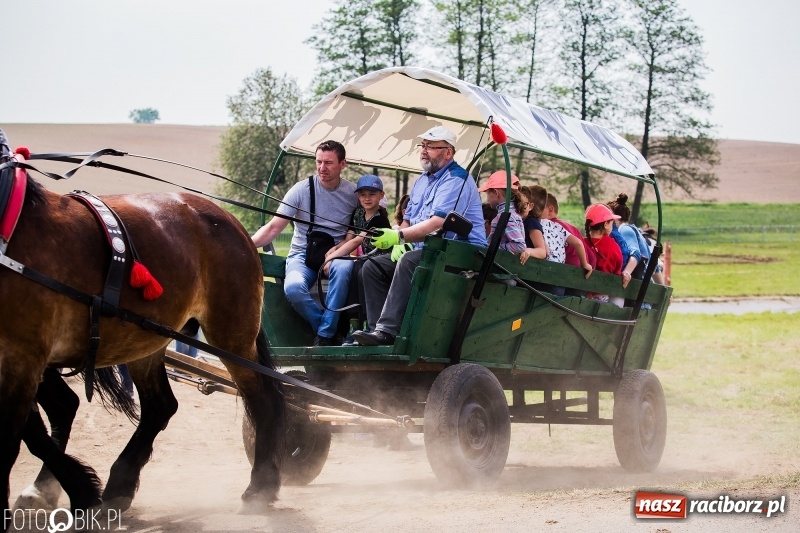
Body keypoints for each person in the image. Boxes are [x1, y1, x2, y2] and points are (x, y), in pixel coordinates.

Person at [352, 126, 487, 346]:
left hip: (462, 252)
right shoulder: (422, 180)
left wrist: (400, 238)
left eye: (431, 147)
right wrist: (399, 233)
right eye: (423, 146)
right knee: (373, 267)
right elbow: (410, 218)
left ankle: (387, 331)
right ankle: (375, 332)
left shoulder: (457, 179)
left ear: (448, 153)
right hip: (430, 250)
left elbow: (438, 222)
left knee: (408, 262)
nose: (424, 151)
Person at [251, 140, 358, 346]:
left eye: (328, 163)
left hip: (337, 254)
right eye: (318, 162)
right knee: (293, 288)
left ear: (342, 164)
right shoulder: (300, 190)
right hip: (303, 255)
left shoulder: (353, 194)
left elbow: (370, 215)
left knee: (345, 270)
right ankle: (327, 332)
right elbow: (274, 227)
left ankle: (327, 335)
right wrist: (246, 243)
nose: (321, 168)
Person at [323, 174, 392, 345]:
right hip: (364, 259)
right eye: (363, 194)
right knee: (351, 270)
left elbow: (357, 240)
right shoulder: (358, 213)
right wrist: (335, 249)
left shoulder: (379, 219)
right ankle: (353, 325)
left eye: (372, 194)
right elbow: (349, 238)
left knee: (360, 271)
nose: (367, 198)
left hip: (379, 259)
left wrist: (331, 258)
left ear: (381, 195)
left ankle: (369, 325)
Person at [583, 204, 624, 307]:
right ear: (606, 224)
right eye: (611, 222)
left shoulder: (581, 243)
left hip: (581, 297)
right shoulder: (613, 246)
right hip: (601, 298)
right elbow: (617, 271)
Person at [479, 171, 526, 254]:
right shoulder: (514, 214)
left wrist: (494, 247)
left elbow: (519, 246)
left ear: (496, 193)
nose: (487, 198)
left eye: (487, 193)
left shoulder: (506, 216)